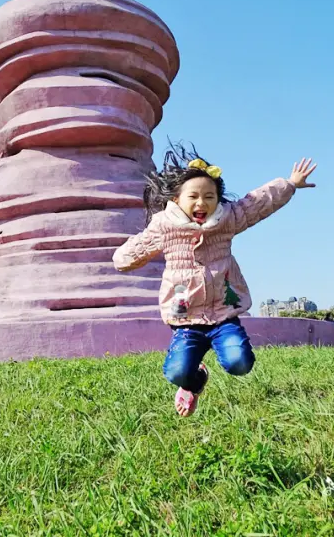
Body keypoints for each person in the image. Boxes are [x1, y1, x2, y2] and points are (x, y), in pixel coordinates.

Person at [113, 142, 317, 416]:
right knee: (176, 373)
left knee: (239, 364)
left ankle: (225, 348)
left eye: (209, 196)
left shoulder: (227, 218)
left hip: (223, 313)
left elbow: (257, 204)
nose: (201, 203)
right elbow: (136, 250)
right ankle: (194, 381)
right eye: (194, 196)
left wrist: (290, 184)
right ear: (176, 200)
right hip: (186, 317)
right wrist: (122, 258)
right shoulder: (164, 225)